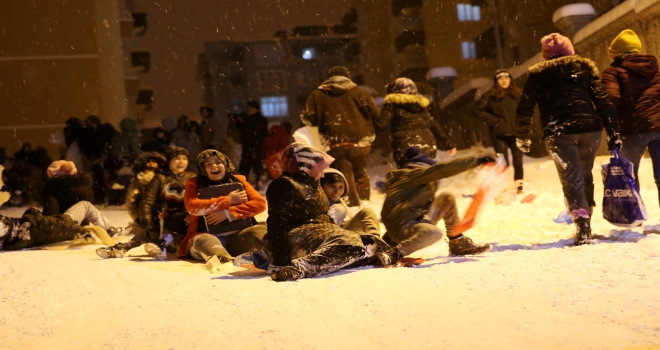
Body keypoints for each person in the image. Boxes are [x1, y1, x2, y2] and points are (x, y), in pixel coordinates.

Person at [515, 33, 620, 245]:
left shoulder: (539, 74)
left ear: (545, 55)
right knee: (584, 173)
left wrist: (522, 135)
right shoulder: (585, 69)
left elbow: (524, 107)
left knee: (571, 177)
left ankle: (582, 226)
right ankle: (586, 220)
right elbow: (603, 100)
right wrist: (613, 131)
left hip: (559, 131)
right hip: (589, 130)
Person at [264, 142, 395, 282]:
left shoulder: (313, 185)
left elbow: (322, 216)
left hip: (318, 233)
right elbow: (276, 223)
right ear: (306, 166)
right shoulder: (284, 185)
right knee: (348, 244)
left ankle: (367, 256)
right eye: (319, 169)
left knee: (369, 240)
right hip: (296, 237)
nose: (322, 174)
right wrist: (280, 261)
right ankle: (298, 267)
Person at [381, 146, 494, 257]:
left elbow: (401, 211)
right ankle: (395, 254)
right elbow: (443, 169)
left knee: (446, 198)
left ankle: (457, 243)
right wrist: (476, 160)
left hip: (406, 224)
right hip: (405, 227)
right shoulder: (414, 175)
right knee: (434, 233)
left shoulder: (405, 182)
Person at [96, 147, 196, 259]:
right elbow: (147, 201)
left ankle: (160, 246)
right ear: (169, 161)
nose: (181, 162)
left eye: (184, 159)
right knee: (149, 232)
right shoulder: (160, 176)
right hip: (162, 216)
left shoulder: (192, 178)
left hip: (183, 219)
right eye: (177, 158)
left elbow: (196, 201)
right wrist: (145, 220)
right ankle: (123, 247)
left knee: (168, 234)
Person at [301, 66, 380, 207]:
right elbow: (376, 115)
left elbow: (308, 118)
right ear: (347, 77)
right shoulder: (360, 92)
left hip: (336, 141)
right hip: (362, 142)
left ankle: (352, 209)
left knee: (344, 176)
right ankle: (365, 207)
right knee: (361, 174)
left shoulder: (318, 95)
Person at [176, 150, 267, 266]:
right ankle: (222, 260)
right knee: (205, 240)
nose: (214, 166)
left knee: (260, 231)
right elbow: (193, 207)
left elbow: (260, 204)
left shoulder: (239, 180)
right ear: (203, 168)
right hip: (208, 237)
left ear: (225, 164)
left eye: (218, 162)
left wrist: (229, 213)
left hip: (238, 237)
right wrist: (227, 200)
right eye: (208, 164)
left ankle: (276, 256)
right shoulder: (194, 183)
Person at [601, 29, 660, 207]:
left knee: (628, 175)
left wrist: (607, 123)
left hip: (632, 129)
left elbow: (611, 99)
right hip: (659, 126)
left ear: (616, 54)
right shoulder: (655, 68)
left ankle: (634, 214)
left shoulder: (613, 71)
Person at [378, 77, 457, 169]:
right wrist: (448, 143)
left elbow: (381, 124)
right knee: (425, 172)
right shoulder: (420, 107)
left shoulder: (391, 105)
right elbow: (434, 126)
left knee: (408, 175)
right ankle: (430, 179)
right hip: (427, 145)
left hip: (405, 147)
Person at [473, 70, 524, 192]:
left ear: (510, 80)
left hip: (516, 134)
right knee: (503, 163)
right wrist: (494, 121)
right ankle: (501, 187)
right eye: (501, 79)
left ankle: (519, 187)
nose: (504, 81)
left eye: (507, 78)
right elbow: (476, 110)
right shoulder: (490, 96)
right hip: (499, 135)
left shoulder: (517, 94)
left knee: (518, 161)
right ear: (497, 82)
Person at [1, 201, 117, 251]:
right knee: (85, 205)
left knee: (32, 210)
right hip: (66, 224)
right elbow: (56, 224)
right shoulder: (32, 223)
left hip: (62, 229)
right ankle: (110, 229)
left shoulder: (12, 243)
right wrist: (81, 230)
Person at [321, 168, 380, 238]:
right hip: (330, 238)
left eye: (341, 187)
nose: (337, 192)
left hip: (343, 232)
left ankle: (376, 242)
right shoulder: (318, 202)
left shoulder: (339, 201)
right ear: (321, 186)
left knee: (367, 212)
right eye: (332, 187)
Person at [124, 152, 166, 231]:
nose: (151, 164)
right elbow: (131, 202)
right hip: (143, 214)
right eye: (148, 162)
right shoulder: (139, 180)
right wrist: (138, 218)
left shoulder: (162, 178)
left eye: (154, 162)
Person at [235, 100, 269, 183]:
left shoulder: (259, 119)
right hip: (248, 145)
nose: (248, 109)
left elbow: (259, 133)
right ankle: (247, 182)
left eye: (250, 107)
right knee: (247, 166)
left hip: (255, 145)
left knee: (254, 165)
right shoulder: (248, 118)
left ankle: (257, 181)